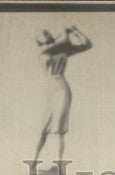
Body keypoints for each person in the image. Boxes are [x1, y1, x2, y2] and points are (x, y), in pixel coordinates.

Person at [33, 26, 92, 165]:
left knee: (60, 131)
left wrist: (77, 31)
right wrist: (67, 34)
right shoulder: (44, 52)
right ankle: (34, 161)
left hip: (62, 89)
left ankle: (59, 164)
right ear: (40, 40)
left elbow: (87, 45)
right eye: (43, 33)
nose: (46, 32)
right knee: (43, 130)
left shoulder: (62, 49)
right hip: (52, 92)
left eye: (46, 31)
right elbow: (59, 44)